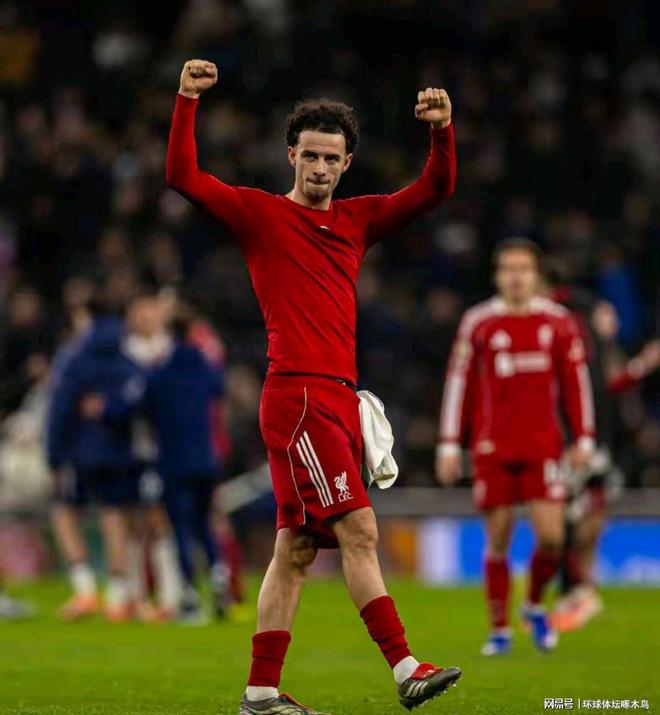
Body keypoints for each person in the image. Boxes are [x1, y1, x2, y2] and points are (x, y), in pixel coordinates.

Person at [167, 59, 459, 714]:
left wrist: (442, 132)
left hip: (336, 397)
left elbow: (434, 190)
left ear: (347, 162)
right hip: (298, 397)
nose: (320, 168)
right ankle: (406, 666)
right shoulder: (261, 214)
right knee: (360, 529)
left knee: (296, 550)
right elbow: (183, 177)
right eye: (310, 155)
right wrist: (186, 99)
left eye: (331, 158)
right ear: (290, 155)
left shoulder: (358, 219)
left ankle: (261, 692)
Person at [436, 238, 595, 656]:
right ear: (497, 276)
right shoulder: (479, 322)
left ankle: (533, 604)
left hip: (544, 446)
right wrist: (449, 444)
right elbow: (458, 383)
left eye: (523, 269)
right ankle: (499, 630)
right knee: (498, 538)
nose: (516, 277)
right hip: (494, 447)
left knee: (552, 539)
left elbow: (576, 384)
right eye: (508, 269)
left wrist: (583, 437)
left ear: (536, 275)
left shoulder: (558, 322)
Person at [46, 299, 142, 622]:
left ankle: (85, 588)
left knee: (63, 511)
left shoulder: (75, 360)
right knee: (114, 517)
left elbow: (60, 410)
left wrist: (54, 456)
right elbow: (137, 399)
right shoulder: (126, 361)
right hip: (120, 452)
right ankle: (117, 598)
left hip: (81, 451)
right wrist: (113, 411)